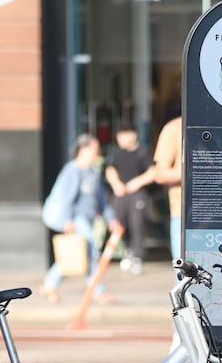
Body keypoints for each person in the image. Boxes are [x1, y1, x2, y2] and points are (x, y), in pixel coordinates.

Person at [41, 132, 117, 304]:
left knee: (77, 254)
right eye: (94, 149)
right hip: (77, 218)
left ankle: (49, 284)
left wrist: (110, 218)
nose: (97, 153)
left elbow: (101, 199)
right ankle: (97, 291)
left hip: (85, 219)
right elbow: (65, 197)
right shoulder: (72, 170)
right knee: (91, 252)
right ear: (83, 150)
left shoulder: (93, 172)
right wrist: (67, 220)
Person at [104, 122, 154, 274]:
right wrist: (116, 184)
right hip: (121, 194)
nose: (120, 139)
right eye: (119, 136)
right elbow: (110, 169)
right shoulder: (117, 153)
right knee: (119, 223)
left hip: (138, 194)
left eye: (123, 135)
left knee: (137, 223)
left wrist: (137, 182)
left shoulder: (143, 152)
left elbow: (152, 171)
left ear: (133, 135)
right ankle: (128, 251)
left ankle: (137, 256)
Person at [152, 116, 182, 261]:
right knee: (185, 275)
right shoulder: (174, 128)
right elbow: (160, 174)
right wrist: (198, 172)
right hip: (184, 214)